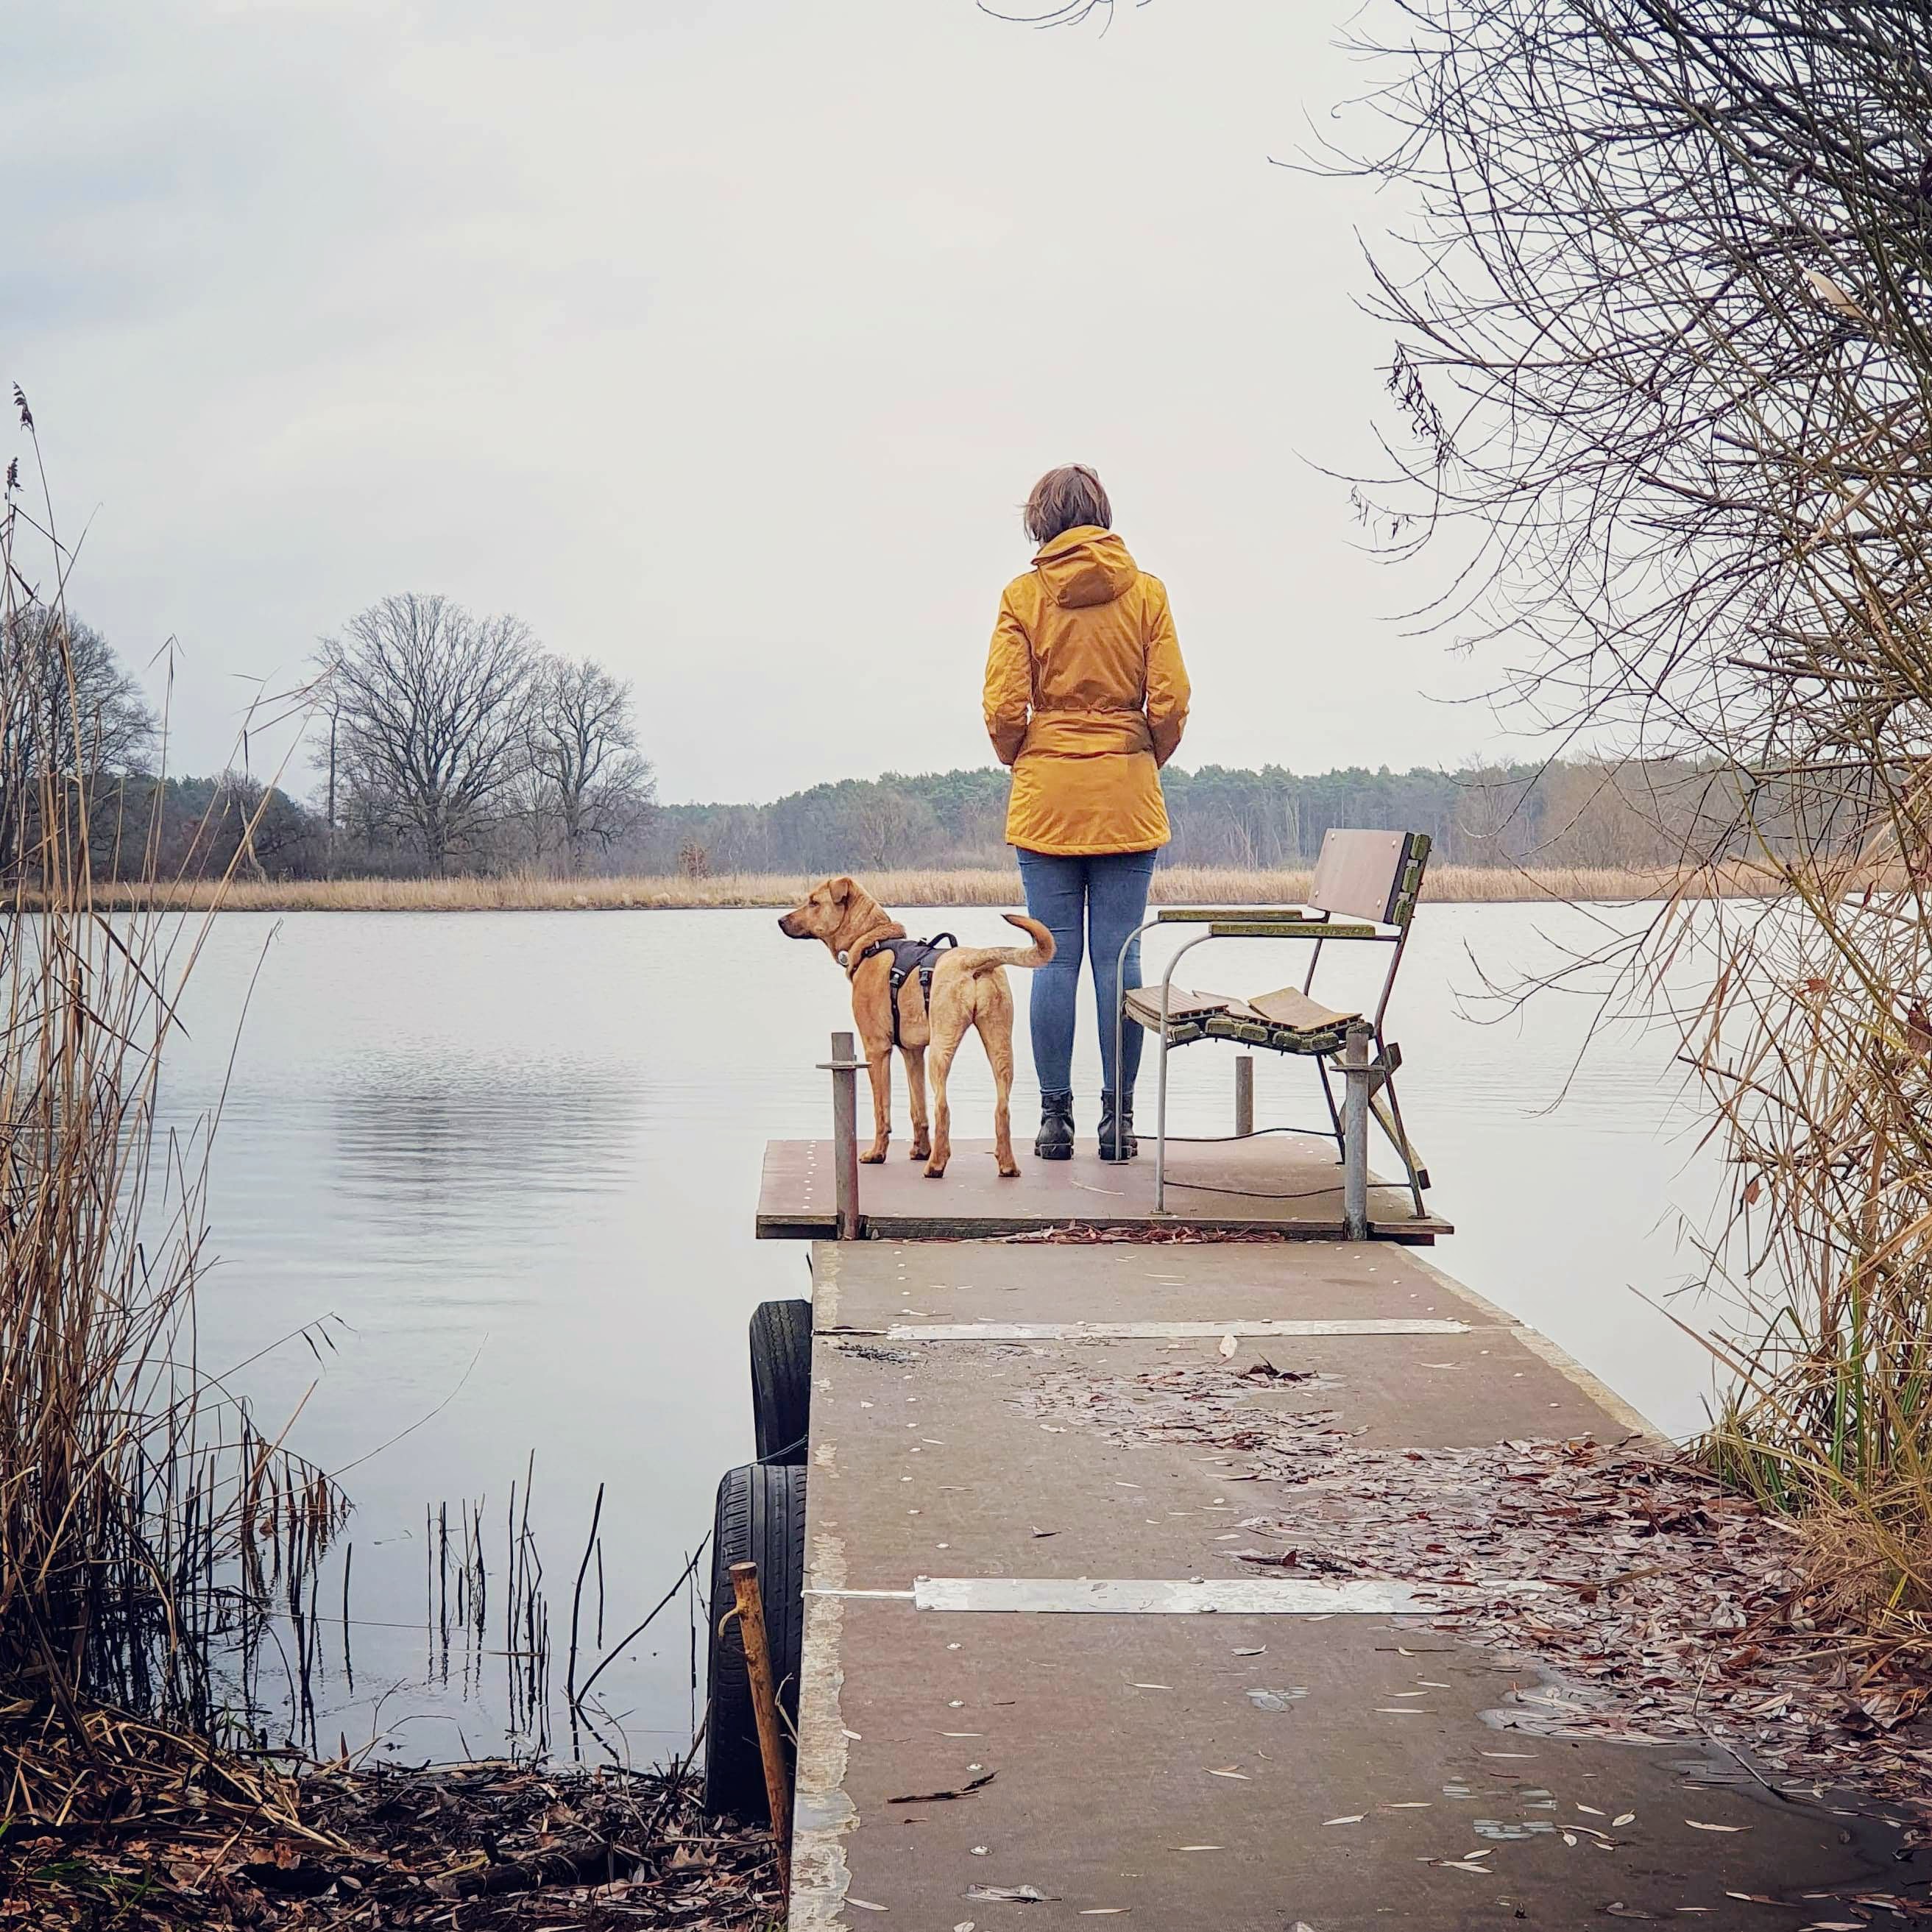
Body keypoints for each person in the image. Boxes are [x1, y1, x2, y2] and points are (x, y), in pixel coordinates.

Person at [983, 464, 1190, 1162]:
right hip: (1126, 796)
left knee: (1053, 957)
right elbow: (1170, 702)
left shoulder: (1021, 595)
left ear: (1039, 521)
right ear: (1101, 514)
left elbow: (1003, 708)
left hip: (1047, 802)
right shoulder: (1147, 595)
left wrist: (1030, 753)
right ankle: (1120, 1123)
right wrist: (1138, 754)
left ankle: (1052, 1122)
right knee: (1118, 959)